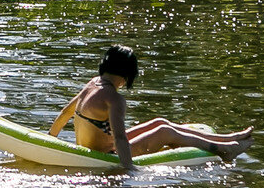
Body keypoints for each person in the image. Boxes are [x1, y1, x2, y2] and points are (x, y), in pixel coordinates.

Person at [51, 45, 253, 170]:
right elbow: (120, 138)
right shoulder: (114, 99)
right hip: (107, 155)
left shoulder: (92, 84)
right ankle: (223, 150)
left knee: (160, 122)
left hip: (98, 146)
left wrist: (50, 139)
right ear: (127, 75)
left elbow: (65, 113)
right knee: (164, 131)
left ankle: (228, 138)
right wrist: (128, 169)